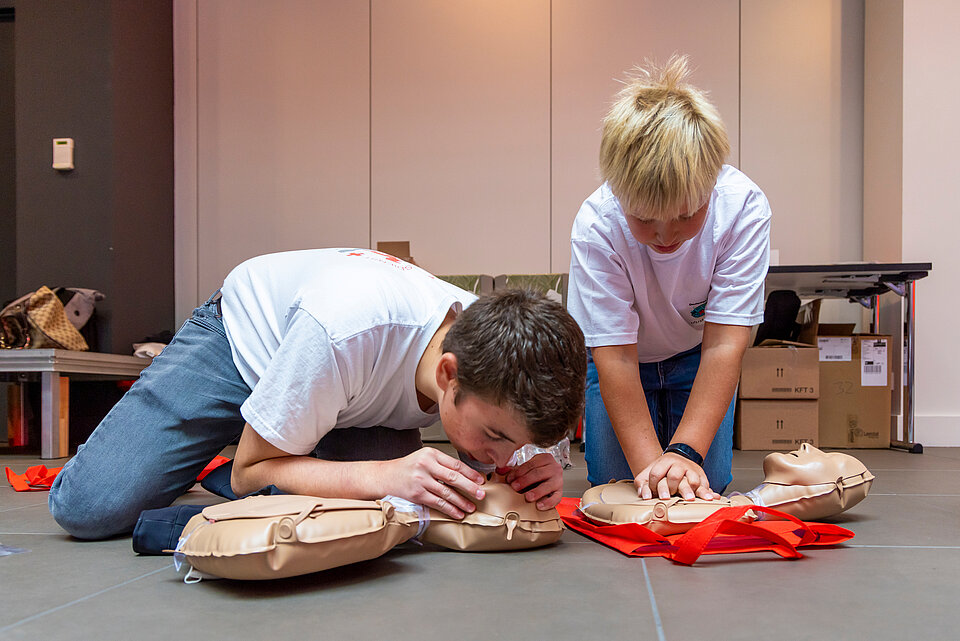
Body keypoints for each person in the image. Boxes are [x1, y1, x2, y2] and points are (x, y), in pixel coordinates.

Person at [49, 248, 587, 540]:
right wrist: (382, 474)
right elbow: (251, 474)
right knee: (90, 509)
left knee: (401, 504)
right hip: (244, 342)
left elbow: (525, 431)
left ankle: (275, 434)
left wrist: (537, 459)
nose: (500, 457)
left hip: (345, 395)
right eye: (495, 436)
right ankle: (232, 435)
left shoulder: (498, 351)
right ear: (449, 375)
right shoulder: (342, 331)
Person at [567, 55, 771, 501]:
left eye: (685, 215)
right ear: (619, 193)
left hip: (699, 355)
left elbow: (724, 344)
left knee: (706, 482)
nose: (665, 235)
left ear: (711, 184)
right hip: (623, 361)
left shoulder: (742, 209)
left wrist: (683, 453)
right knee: (615, 486)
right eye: (643, 218)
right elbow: (615, 357)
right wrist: (651, 476)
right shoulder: (597, 224)